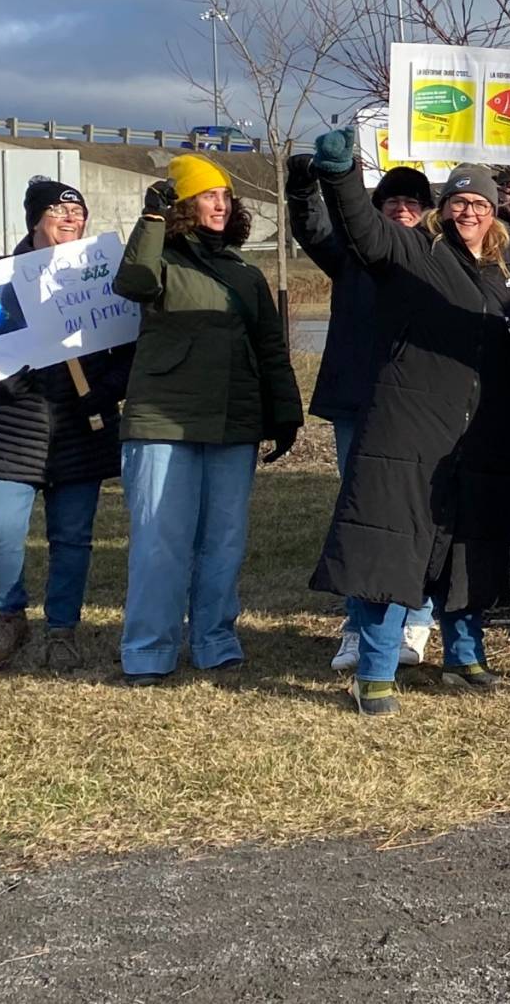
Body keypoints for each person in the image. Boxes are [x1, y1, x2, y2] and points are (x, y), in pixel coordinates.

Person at [306, 145, 510, 715]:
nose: (468, 212)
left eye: (478, 203)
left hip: (483, 437)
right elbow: (364, 231)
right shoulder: (417, 251)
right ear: (441, 209)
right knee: (393, 550)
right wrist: (342, 175)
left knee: (469, 549)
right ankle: (374, 671)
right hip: (408, 433)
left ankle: (464, 657)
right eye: (457, 202)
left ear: (493, 211)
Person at [112, 153, 302, 685]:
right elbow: (132, 283)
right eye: (206, 195)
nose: (219, 204)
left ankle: (215, 638)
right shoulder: (160, 259)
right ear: (182, 205)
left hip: (233, 424)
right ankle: (149, 649)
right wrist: (150, 222)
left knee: (224, 540)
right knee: (160, 538)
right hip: (162, 422)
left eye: (224, 195)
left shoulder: (245, 272)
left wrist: (284, 414)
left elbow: (271, 348)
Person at [0, 178, 132, 673]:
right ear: (34, 219)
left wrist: (106, 389)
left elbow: (131, 349)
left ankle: (62, 630)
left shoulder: (100, 277)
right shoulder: (0, 281)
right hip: (13, 429)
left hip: (80, 428)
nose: (72, 220)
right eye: (60, 211)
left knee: (72, 535)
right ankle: (9, 619)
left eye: (79, 212)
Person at [287, 158, 440, 671]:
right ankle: (356, 627)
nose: (402, 209)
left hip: (418, 406)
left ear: (426, 212)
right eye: (392, 201)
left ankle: (416, 618)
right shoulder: (352, 253)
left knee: (419, 511)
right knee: (359, 513)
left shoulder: (438, 258)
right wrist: (303, 183)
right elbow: (312, 227)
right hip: (358, 399)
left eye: (413, 202)